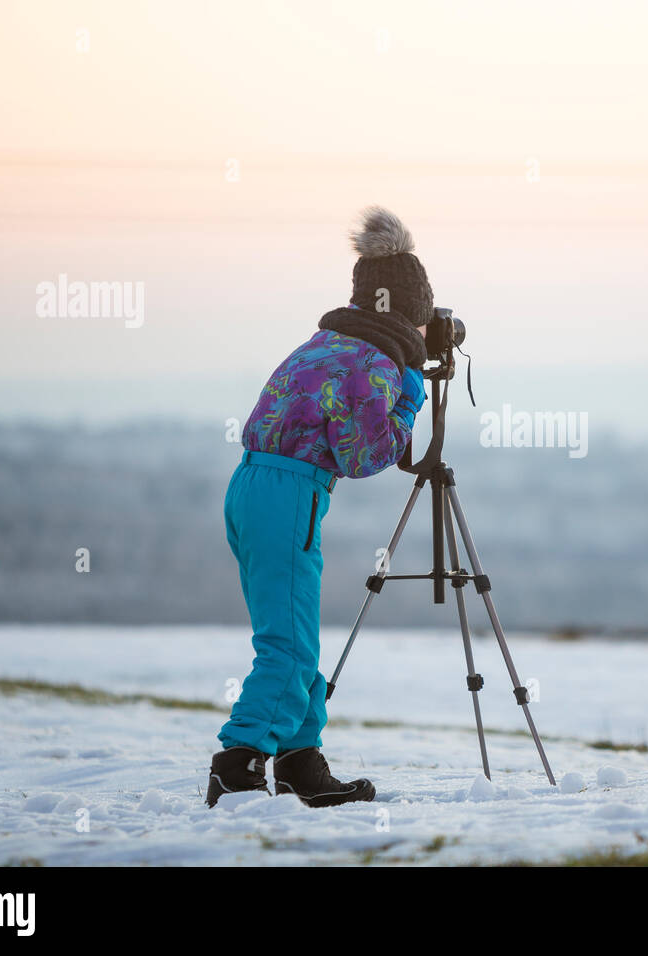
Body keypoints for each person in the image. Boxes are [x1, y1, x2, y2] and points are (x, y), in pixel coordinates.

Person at [206, 207, 432, 808]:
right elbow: (363, 456)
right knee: (289, 646)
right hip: (290, 497)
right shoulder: (376, 365)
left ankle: (301, 761)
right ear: (412, 312)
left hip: (251, 486)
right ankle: (238, 761)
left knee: (293, 633)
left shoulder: (323, 344)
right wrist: (410, 396)